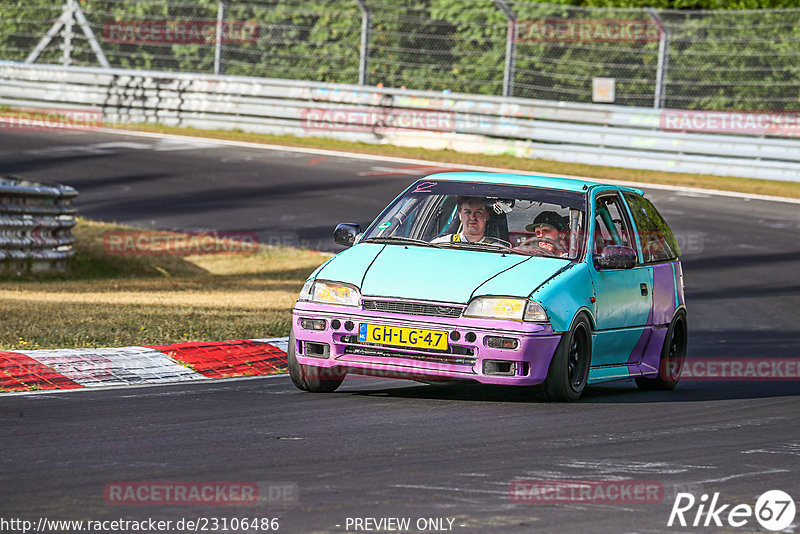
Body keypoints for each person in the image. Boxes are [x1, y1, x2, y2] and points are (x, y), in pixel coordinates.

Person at [431, 196, 504, 245]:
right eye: (467, 212)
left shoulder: (498, 250)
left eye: (478, 212)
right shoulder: (441, 244)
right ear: (459, 215)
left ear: (487, 215)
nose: (472, 217)